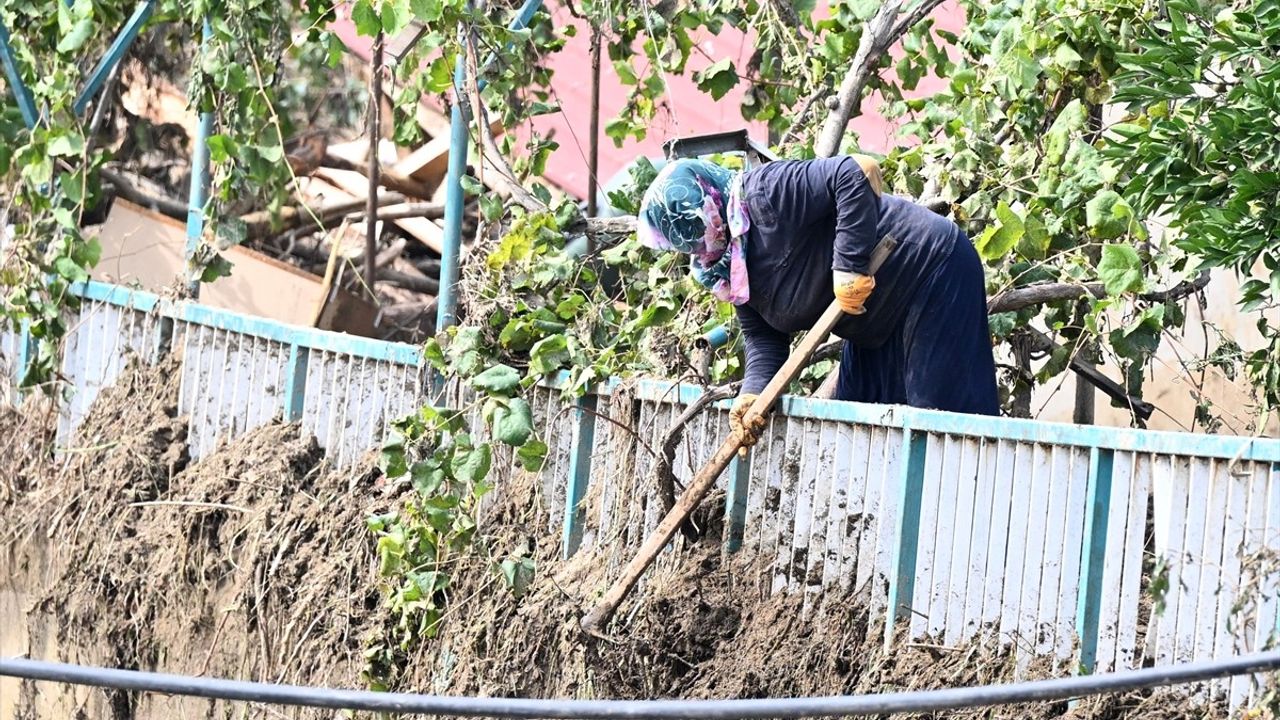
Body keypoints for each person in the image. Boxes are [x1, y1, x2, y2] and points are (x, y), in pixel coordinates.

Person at [635, 155, 999, 450]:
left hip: (928, 269)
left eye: (698, 229)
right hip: (873, 323)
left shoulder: (765, 193)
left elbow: (853, 174)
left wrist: (847, 266)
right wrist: (753, 394)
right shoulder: (731, 266)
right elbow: (764, 338)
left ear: (709, 201)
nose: (698, 247)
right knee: (859, 432)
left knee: (937, 423)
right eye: (686, 242)